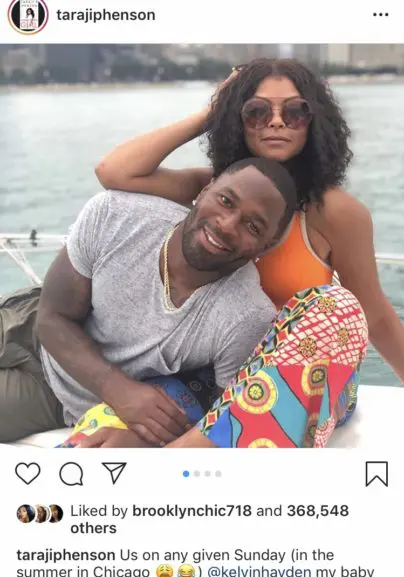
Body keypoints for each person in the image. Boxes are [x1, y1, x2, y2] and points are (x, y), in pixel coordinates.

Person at [95, 57, 404, 384]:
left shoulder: (334, 212)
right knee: (124, 412)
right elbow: (114, 172)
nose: (276, 122)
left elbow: (375, 316)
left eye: (295, 112)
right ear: (237, 121)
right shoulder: (214, 191)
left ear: (314, 123)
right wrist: (212, 114)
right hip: (206, 373)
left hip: (291, 383)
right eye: (257, 112)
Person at [0, 157, 297, 445]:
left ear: (266, 246)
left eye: (253, 227)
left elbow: (222, 424)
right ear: (205, 190)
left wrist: (143, 439)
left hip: (58, 391)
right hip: (26, 319)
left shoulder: (246, 317)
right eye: (225, 201)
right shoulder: (115, 214)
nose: (227, 225)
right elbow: (52, 317)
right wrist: (119, 391)